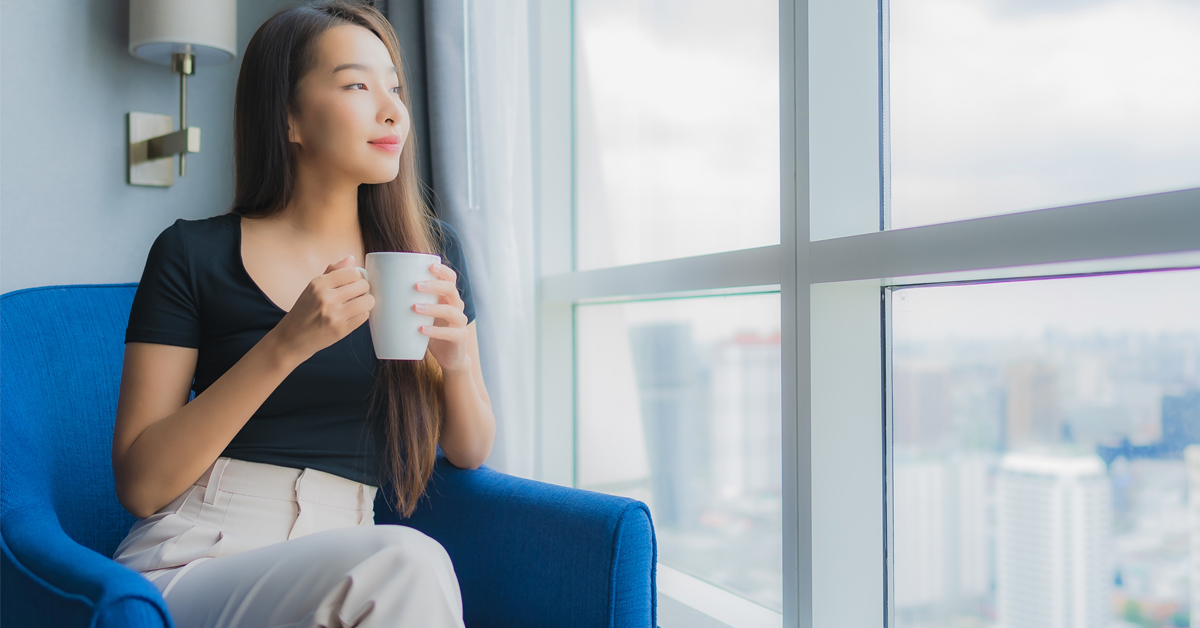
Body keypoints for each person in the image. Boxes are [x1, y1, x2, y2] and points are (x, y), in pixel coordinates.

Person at [109, 2, 495, 626]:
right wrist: (285, 344)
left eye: (394, 87)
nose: (392, 108)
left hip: (347, 555)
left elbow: (470, 449)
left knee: (399, 568)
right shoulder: (192, 252)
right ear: (289, 117)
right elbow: (142, 485)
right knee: (408, 564)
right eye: (357, 85)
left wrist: (455, 365)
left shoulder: (429, 255)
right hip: (197, 556)